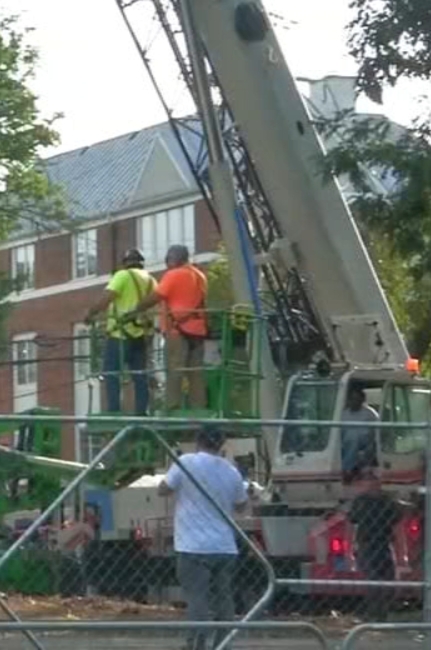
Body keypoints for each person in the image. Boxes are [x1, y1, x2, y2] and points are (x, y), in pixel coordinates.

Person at [159, 425, 250, 650]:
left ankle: (197, 643)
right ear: (221, 444)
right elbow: (241, 505)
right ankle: (223, 643)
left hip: (192, 546)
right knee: (224, 598)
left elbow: (163, 489)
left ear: (198, 441)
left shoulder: (186, 463)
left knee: (197, 597)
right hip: (224, 546)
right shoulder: (231, 471)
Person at [125, 244, 210, 411]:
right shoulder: (200, 275)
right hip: (198, 330)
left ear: (173, 259)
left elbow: (156, 297)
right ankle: (199, 408)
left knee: (174, 370)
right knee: (196, 373)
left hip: (177, 331)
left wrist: (134, 310)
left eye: (168, 260)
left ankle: (173, 408)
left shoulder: (174, 275)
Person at [85, 248, 156, 415]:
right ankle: (141, 412)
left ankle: (114, 410)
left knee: (111, 373)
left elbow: (107, 298)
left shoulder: (122, 276)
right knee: (140, 375)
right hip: (141, 336)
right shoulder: (151, 280)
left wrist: (91, 313)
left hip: (120, 335)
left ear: (125, 263)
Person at [347, 468, 403, 622]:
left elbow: (397, 528)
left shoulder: (387, 502)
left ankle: (383, 612)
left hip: (384, 545)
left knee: (387, 579)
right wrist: (349, 549)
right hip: (366, 545)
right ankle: (374, 612)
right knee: (372, 580)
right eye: (368, 480)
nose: (371, 483)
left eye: (374, 479)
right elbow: (351, 525)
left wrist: (401, 554)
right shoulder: (360, 502)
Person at [340, 382, 381, 480]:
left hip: (367, 444)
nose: (354, 402)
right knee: (350, 437)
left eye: (357, 399)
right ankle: (348, 469)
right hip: (345, 444)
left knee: (353, 436)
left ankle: (348, 470)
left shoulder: (370, 414)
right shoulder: (343, 414)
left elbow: (377, 433)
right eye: (352, 399)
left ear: (362, 400)